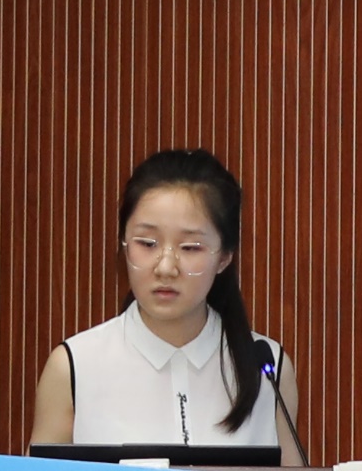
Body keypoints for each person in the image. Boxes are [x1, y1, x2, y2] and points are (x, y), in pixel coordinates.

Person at [28, 149, 303, 466]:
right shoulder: (74, 366)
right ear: (124, 243)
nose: (166, 267)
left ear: (225, 256)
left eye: (190, 248)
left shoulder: (268, 368)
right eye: (147, 244)